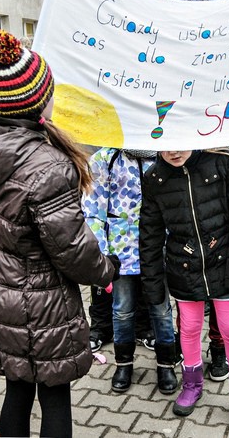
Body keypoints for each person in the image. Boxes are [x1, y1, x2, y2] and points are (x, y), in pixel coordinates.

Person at [0, 30, 119, 438]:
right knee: (55, 398)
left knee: (17, 391)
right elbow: (72, 250)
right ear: (40, 99)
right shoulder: (46, 166)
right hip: (42, 304)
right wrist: (106, 270)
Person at [140, 149, 229, 432]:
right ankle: (192, 384)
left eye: (180, 142)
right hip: (184, 265)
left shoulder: (225, 164)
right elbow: (149, 233)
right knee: (190, 327)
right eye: (167, 143)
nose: (173, 151)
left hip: (224, 261)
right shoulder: (154, 177)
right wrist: (153, 283)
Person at [82, 147, 178, 394]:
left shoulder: (164, 155)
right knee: (122, 310)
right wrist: (102, 254)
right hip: (121, 253)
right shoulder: (105, 159)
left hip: (158, 250)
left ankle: (166, 363)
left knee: (161, 309)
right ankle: (123, 363)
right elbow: (93, 210)